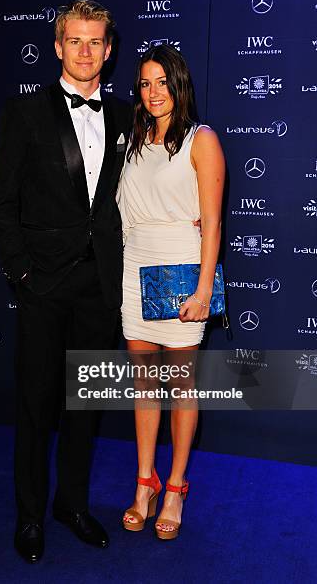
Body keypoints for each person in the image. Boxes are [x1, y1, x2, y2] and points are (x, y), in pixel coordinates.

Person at [0, 0, 131, 562]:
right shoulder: (25, 113)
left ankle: (71, 505)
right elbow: (1, 204)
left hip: (100, 288)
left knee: (84, 405)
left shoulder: (125, 118)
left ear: (109, 50)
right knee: (35, 406)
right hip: (43, 288)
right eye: (75, 41)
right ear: (57, 46)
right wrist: (23, 274)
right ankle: (29, 516)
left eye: (96, 42)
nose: (86, 51)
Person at [116, 44, 225, 540]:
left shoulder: (202, 140)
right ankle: (145, 482)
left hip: (181, 270)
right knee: (144, 387)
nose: (154, 92)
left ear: (179, 85)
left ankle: (177, 485)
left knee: (179, 386)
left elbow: (213, 222)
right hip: (135, 266)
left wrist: (204, 289)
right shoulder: (134, 137)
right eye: (145, 82)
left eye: (163, 81)